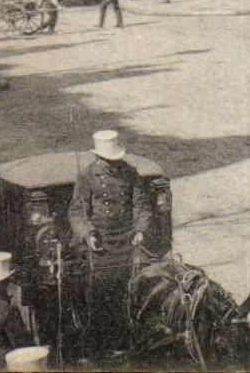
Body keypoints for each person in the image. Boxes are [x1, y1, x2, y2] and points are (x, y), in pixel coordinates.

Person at [69, 130, 153, 347]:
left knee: (142, 287)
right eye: (108, 161)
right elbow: (77, 212)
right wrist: (88, 235)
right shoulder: (86, 176)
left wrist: (140, 230)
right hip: (101, 244)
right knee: (102, 292)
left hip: (128, 240)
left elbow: (141, 206)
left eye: (115, 160)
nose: (112, 165)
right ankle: (103, 341)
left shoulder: (130, 173)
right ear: (99, 158)